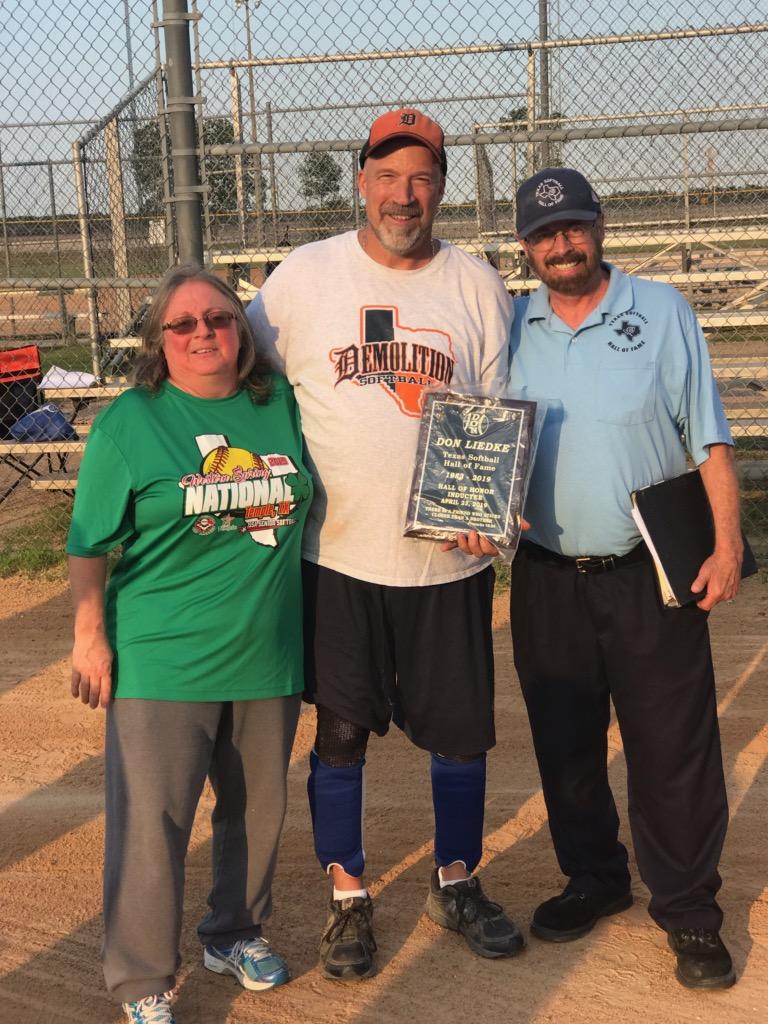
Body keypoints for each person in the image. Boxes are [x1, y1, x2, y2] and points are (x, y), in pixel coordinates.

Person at [247, 108, 522, 980]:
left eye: (423, 178)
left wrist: (495, 501)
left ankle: (455, 879)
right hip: (337, 555)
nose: (406, 195)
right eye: (389, 176)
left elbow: (496, 417)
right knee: (339, 734)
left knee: (460, 737)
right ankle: (348, 899)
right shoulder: (302, 277)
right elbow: (239, 379)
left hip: (449, 557)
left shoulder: (475, 284)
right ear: (361, 179)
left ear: (441, 186)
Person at [506, 167, 742, 989]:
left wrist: (727, 542)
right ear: (525, 247)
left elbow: (708, 435)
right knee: (566, 741)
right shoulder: (510, 323)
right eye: (543, 235)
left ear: (599, 226)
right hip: (544, 574)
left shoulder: (661, 310)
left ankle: (689, 910)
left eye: (572, 227)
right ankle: (595, 878)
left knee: (672, 745)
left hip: (648, 564)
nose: (560, 246)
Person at [67, 266, 312, 1023]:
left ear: (243, 333)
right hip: (162, 655)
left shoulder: (282, 407)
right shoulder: (133, 421)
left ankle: (232, 932)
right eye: (184, 324)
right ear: (158, 343)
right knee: (153, 820)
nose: (204, 332)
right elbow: (88, 541)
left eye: (220, 319)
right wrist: (89, 635)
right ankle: (141, 979)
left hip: (266, 652)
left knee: (255, 809)